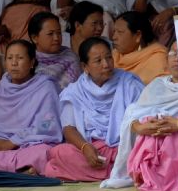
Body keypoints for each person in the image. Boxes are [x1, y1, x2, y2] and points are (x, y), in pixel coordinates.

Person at [43, 37, 144, 181]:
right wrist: (85, 148)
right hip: (92, 150)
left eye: (109, 57)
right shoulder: (75, 91)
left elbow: (144, 117)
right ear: (85, 66)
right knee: (61, 152)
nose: (106, 64)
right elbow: (69, 128)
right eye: (98, 61)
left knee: (143, 151)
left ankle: (115, 170)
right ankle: (119, 171)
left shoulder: (129, 83)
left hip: (124, 148)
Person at [101, 40, 178, 191]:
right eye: (173, 53)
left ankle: (176, 181)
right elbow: (134, 113)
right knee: (149, 136)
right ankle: (151, 180)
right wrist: (139, 126)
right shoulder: (157, 84)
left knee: (173, 140)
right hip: (154, 138)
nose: (177, 58)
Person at [0, 40, 62, 174]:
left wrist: (13, 142)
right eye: (9, 58)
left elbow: (47, 125)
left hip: (30, 142)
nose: (14, 63)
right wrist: (1, 142)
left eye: (20, 58)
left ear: (32, 62)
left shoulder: (46, 87)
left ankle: (9, 169)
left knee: (43, 151)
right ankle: (23, 169)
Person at [28, 11, 81, 90]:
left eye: (59, 33)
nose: (56, 38)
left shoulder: (71, 57)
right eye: (50, 34)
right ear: (34, 38)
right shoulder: (27, 61)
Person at [112, 11, 168, 85]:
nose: (114, 37)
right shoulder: (113, 56)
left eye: (120, 32)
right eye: (114, 32)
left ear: (138, 35)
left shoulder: (158, 59)